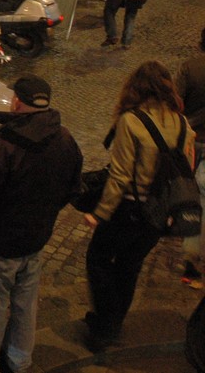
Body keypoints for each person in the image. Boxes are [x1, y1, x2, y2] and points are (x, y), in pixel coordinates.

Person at [0, 76, 82, 373]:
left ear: (17, 102)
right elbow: (73, 188)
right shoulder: (65, 139)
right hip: (36, 239)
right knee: (25, 305)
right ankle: (18, 360)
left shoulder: (3, 147)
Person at [83, 61, 196, 351]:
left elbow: (120, 176)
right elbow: (187, 167)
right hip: (159, 214)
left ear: (134, 88)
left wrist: (100, 214)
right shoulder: (183, 124)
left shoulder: (131, 122)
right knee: (130, 266)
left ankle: (104, 326)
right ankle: (114, 321)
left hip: (129, 210)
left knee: (98, 259)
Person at [179, 26, 205, 286]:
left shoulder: (191, 67)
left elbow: (177, 103)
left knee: (190, 197)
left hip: (193, 141)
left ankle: (191, 261)